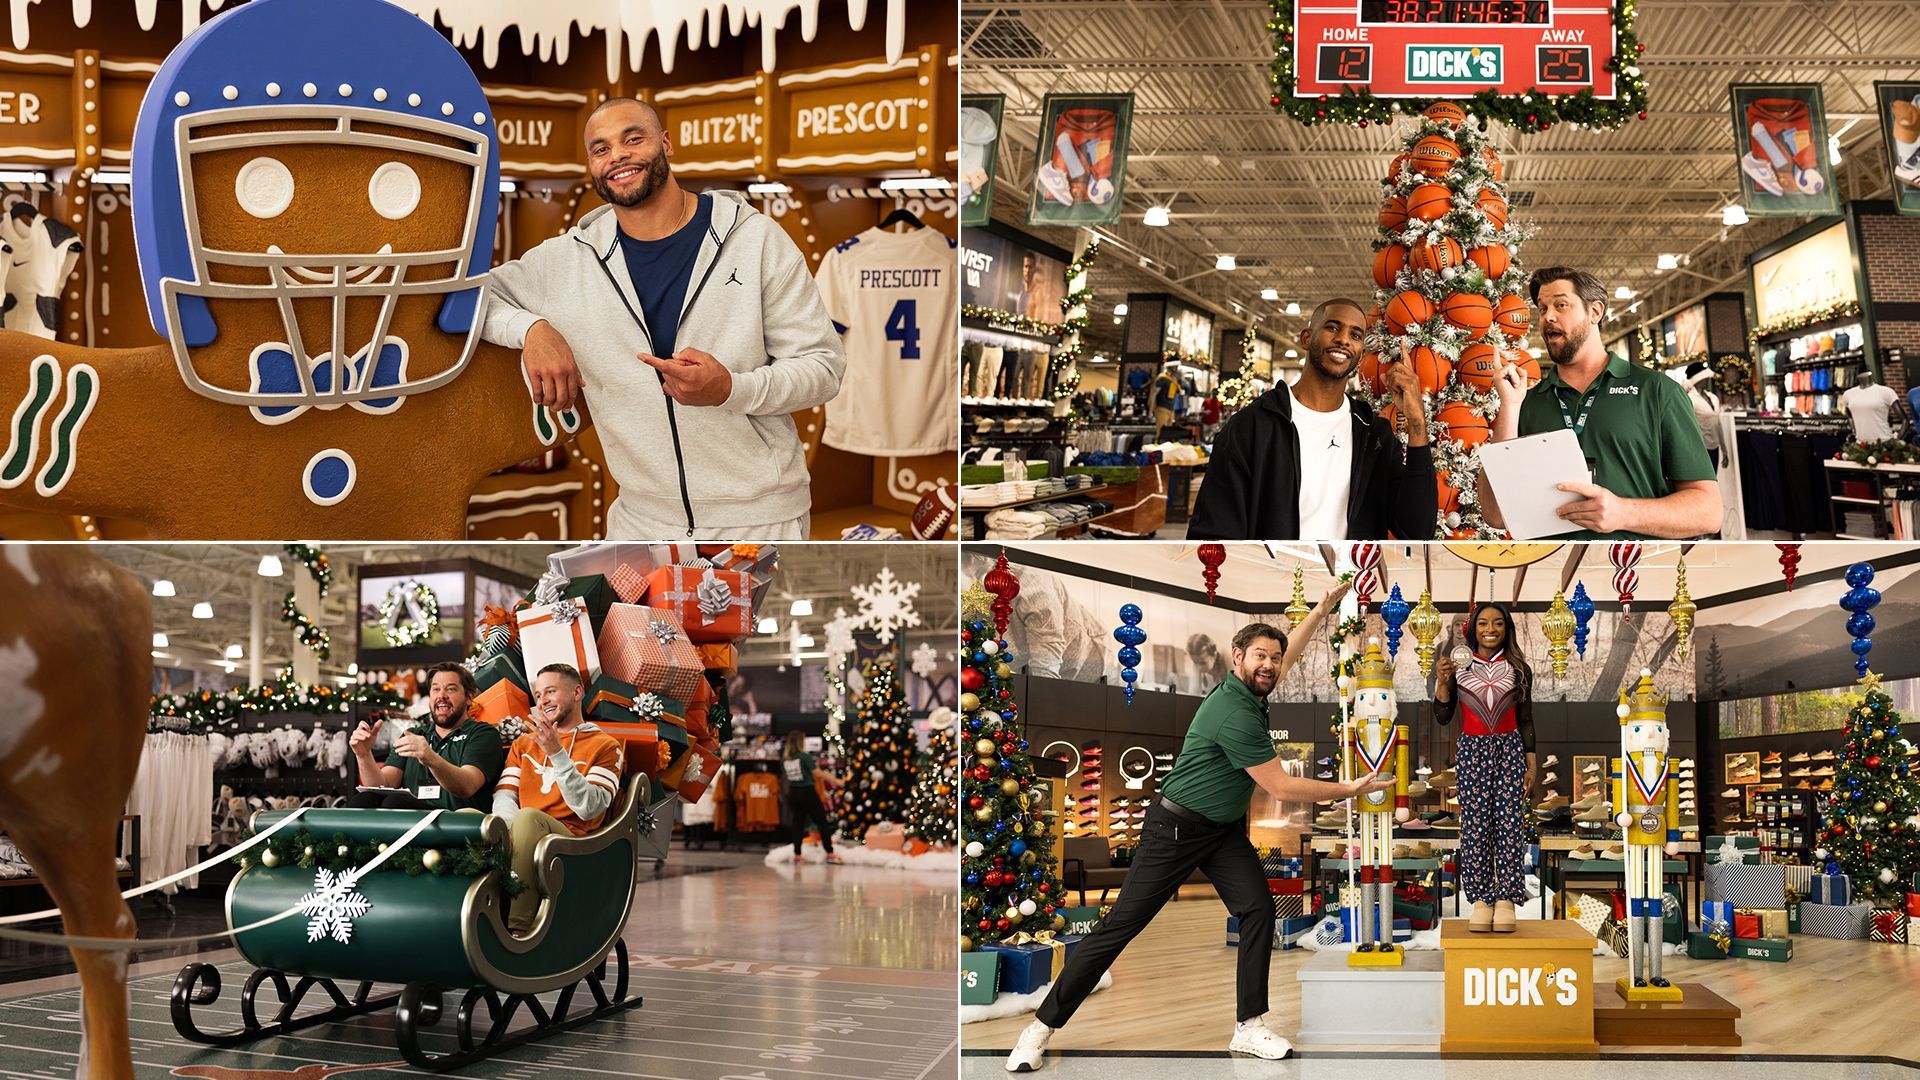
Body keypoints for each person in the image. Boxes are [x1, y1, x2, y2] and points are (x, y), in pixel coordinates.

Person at [1007, 581, 1397, 1071]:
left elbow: (1289, 654)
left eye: (1274, 658)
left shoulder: (1250, 689)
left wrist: (1319, 610)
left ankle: (1248, 1026)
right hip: (1174, 829)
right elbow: (1280, 787)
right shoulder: (1233, 710)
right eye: (1260, 656)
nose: (1270, 665)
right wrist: (1350, 789)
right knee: (1120, 927)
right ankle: (1038, 1028)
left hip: (1221, 832)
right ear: (1237, 657)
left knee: (1257, 910)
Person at [480, 98, 846, 540]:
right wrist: (532, 330)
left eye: (633, 138)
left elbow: (824, 369)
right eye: (601, 149)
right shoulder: (566, 260)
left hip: (759, 520)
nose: (617, 155)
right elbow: (470, 296)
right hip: (639, 523)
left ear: (666, 144)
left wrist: (732, 388)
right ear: (591, 166)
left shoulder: (756, 240)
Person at [1486, 267, 1718, 539]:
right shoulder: (1527, 403)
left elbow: (1708, 511)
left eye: (1561, 305)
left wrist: (1623, 512)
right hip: (1553, 571)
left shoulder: (1656, 391)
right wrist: (1510, 408)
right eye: (1542, 308)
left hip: (1633, 570)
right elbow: (1495, 514)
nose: (1548, 316)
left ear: (1595, 312)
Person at [1189, 298, 1435, 540]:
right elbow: (1213, 535)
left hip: (1351, 578)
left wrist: (1416, 422)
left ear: (1360, 355)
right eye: (1332, 327)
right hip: (1275, 577)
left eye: (1356, 335)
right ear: (1306, 338)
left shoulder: (1373, 435)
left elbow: (1415, 529)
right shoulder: (1251, 427)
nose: (1343, 339)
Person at [492, 664, 626, 934]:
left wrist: (557, 754)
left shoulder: (606, 745)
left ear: (577, 692)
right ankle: (469, 922)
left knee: (528, 817)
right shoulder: (524, 744)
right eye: (538, 695)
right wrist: (506, 831)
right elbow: (505, 794)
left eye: (550, 691)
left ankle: (518, 930)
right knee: (474, 822)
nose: (542, 701)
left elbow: (590, 808)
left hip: (572, 843)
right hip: (521, 834)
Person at [1431, 603, 1536, 933]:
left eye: (1499, 623)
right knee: (1475, 826)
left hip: (1510, 749)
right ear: (1472, 628)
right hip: (1473, 750)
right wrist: (1441, 682)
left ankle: (1505, 899)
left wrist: (1531, 766)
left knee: (1509, 824)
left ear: (1507, 629)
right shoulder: (1458, 667)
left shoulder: (1519, 668)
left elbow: (1526, 720)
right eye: (1484, 623)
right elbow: (1443, 716)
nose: (1491, 629)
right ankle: (1480, 900)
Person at [345, 662, 504, 811]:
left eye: (451, 689)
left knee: (396, 803)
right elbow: (383, 785)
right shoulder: (415, 734)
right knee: (363, 800)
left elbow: (467, 786)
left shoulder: (482, 734)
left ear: (469, 697)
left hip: (457, 822)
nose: (441, 695)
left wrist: (430, 758)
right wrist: (364, 754)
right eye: (435, 689)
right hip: (416, 818)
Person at [781, 731, 843, 864]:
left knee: (797, 823)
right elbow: (817, 773)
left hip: (793, 792)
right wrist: (837, 781)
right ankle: (830, 853)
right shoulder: (804, 757)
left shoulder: (785, 759)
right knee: (822, 822)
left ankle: (797, 854)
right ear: (800, 742)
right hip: (807, 792)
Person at [1680, 362, 1725, 471]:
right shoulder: (1690, 399)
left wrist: (1724, 450)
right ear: (1697, 380)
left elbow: (1718, 424)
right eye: (1704, 378)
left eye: (1707, 378)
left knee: (1714, 479)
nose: (1707, 380)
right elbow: (1686, 427)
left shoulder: (1713, 398)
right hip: (1700, 449)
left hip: (1715, 446)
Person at [1840, 371, 1904, 444]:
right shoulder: (1848, 394)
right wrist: (1854, 432)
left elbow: (1905, 420)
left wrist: (1897, 441)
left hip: (1884, 442)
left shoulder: (1885, 391)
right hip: (1860, 445)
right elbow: (1849, 416)